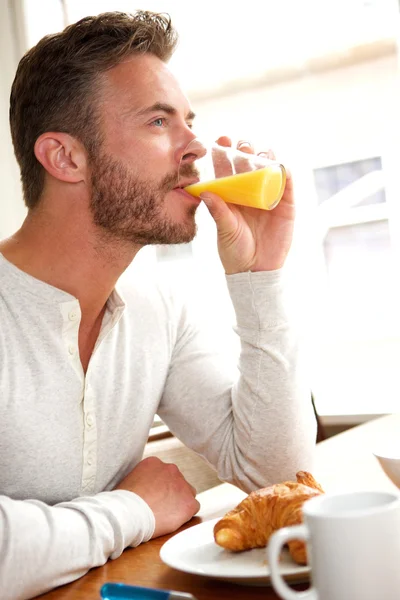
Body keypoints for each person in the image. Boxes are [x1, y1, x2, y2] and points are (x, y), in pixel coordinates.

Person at [0, 10, 316, 600]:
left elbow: (278, 478)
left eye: (189, 121)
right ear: (65, 158)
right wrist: (134, 509)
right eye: (158, 121)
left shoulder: (159, 307)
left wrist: (260, 278)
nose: (196, 146)